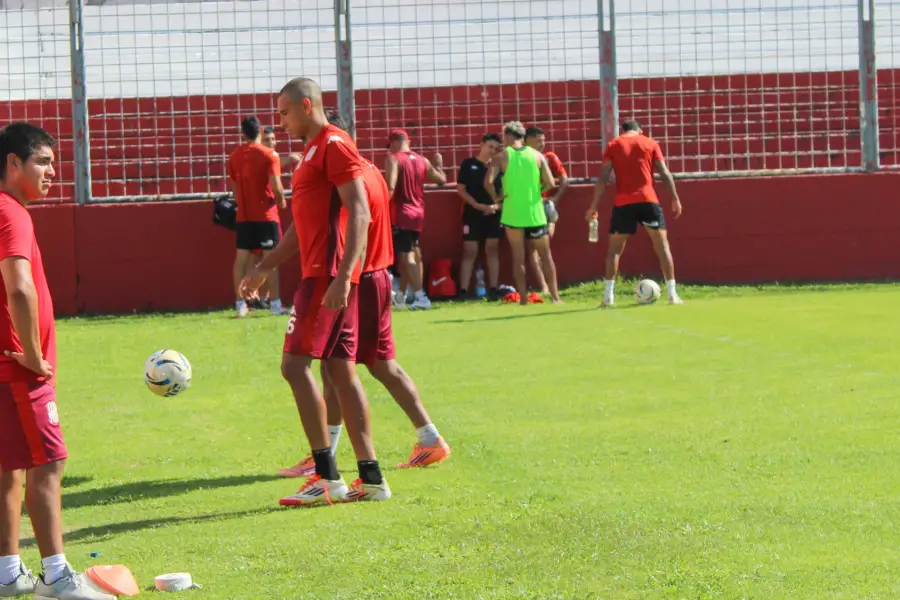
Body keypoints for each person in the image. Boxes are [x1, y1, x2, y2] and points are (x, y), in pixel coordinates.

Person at [241, 77, 390, 506]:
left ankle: (326, 477)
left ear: (307, 105)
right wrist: (264, 267)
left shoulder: (334, 144)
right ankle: (372, 478)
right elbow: (300, 228)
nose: (280, 121)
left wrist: (344, 277)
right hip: (322, 273)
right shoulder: (310, 151)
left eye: (284, 112)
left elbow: (360, 211)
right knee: (340, 371)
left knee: (293, 367)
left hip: (326, 277)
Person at [280, 149, 451, 479]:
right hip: (378, 275)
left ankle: (328, 458)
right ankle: (429, 439)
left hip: (361, 278)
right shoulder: (371, 169)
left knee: (342, 367)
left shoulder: (345, 175)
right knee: (368, 366)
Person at [0, 122, 114, 599]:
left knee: (9, 468)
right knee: (49, 464)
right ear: (13, 164)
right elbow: (20, 286)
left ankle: (7, 572)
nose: (53, 172)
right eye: (43, 162)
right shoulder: (12, 214)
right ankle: (57, 576)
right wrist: (31, 352)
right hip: (19, 370)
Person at [585, 119, 684, 307]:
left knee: (614, 250)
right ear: (639, 130)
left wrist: (594, 205)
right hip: (648, 200)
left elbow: (604, 176)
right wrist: (675, 198)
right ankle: (672, 295)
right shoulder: (650, 142)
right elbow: (663, 171)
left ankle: (608, 298)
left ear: (623, 130)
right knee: (662, 247)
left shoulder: (614, 145)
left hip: (624, 203)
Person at [485, 121, 561, 305]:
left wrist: (498, 198)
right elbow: (551, 183)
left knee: (518, 257)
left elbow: (488, 182)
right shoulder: (537, 155)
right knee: (546, 255)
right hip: (534, 212)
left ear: (509, 136)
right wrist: (536, 190)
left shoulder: (501, 156)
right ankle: (556, 298)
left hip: (513, 213)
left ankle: (524, 300)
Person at [227, 116, 288, 317]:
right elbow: (277, 187)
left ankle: (240, 305)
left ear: (243, 134)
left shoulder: (234, 156)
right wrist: (281, 201)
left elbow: (234, 189)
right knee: (271, 260)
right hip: (265, 215)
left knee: (241, 261)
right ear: (261, 132)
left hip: (244, 216)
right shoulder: (269, 155)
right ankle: (276, 305)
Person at [384, 129, 446, 310]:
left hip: (401, 213)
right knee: (408, 255)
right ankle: (401, 296)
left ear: (394, 142)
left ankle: (421, 297)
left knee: (407, 256)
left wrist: (377, 210)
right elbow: (441, 179)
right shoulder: (422, 160)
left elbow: (390, 186)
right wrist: (439, 164)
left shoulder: (393, 159)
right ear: (408, 141)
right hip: (418, 213)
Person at [456, 133, 503, 299]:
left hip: (494, 214)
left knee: (492, 249)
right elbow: (461, 189)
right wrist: (477, 205)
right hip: (472, 213)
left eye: (496, 148)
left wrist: (495, 207)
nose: (492, 150)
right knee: (470, 250)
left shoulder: (499, 167)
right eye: (490, 146)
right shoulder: (469, 164)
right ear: (482, 144)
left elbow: (505, 194)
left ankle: (494, 288)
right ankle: (463, 290)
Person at [525, 126, 569, 294]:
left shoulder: (549, 157)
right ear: (527, 140)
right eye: (538, 140)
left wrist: (555, 199)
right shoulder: (521, 158)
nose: (542, 144)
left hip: (544, 208)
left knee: (543, 245)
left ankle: (550, 287)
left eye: (543, 140)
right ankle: (543, 286)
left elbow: (564, 180)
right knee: (531, 247)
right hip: (528, 207)